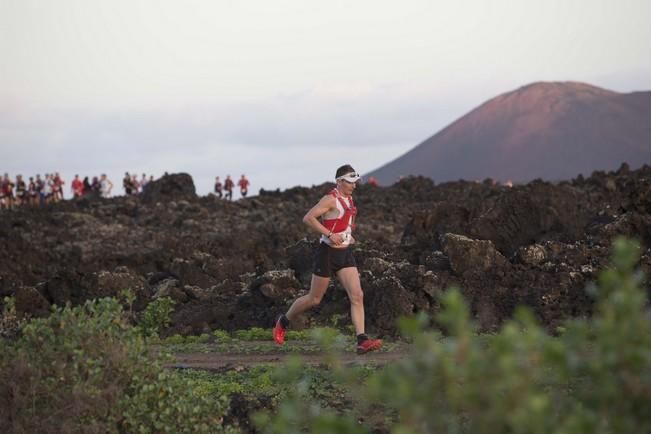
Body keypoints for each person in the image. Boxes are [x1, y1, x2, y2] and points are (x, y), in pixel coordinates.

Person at [273, 164, 383, 354]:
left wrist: (348, 234)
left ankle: (361, 341)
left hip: (345, 253)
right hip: (328, 254)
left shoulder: (349, 198)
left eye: (355, 182)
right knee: (314, 299)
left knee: (357, 296)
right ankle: (283, 321)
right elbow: (308, 218)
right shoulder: (330, 199)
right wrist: (330, 234)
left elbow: (345, 219)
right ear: (339, 182)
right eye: (350, 182)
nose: (354, 186)